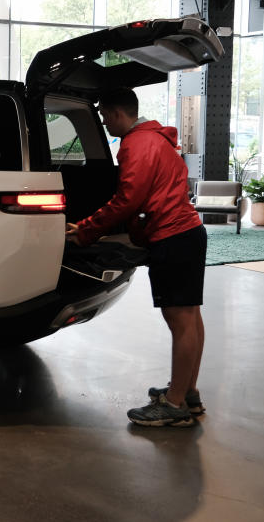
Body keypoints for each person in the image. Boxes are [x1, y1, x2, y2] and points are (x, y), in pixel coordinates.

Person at [65, 88, 207, 428]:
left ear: (116, 113)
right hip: (188, 233)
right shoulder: (156, 138)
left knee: (181, 321)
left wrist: (86, 229)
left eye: (103, 114)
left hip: (172, 237)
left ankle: (174, 406)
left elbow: (128, 199)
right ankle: (187, 392)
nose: (102, 120)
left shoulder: (135, 144)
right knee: (190, 317)